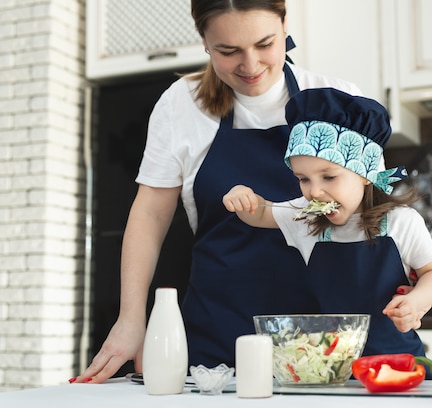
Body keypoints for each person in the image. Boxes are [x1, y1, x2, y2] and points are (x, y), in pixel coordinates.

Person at [73, 0, 370, 384]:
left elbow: (377, 206)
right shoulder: (182, 103)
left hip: (327, 334)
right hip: (221, 333)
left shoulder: (338, 99)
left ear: (285, 25)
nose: (250, 65)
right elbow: (149, 215)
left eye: (265, 44)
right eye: (228, 51)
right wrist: (131, 318)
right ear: (205, 43)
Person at [222, 88, 432, 378]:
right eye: (303, 179)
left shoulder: (401, 222)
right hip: (334, 372)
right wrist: (243, 199)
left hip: (401, 367)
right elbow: (261, 214)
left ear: (366, 174)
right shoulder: (306, 219)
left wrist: (417, 301)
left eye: (329, 176)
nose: (314, 191)